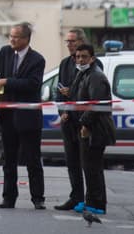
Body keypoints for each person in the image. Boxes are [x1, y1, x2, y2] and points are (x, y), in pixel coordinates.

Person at [0, 22, 46, 210]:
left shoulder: (37, 60)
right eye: (10, 36)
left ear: (26, 39)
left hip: (28, 118)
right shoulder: (5, 52)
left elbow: (32, 84)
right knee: (8, 160)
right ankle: (9, 197)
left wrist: (7, 82)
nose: (12, 40)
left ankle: (38, 197)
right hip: (7, 115)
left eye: (16, 37)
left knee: (32, 159)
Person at [73, 44, 116, 215]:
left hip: (96, 128)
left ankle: (97, 204)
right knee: (89, 167)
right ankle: (91, 200)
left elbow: (95, 104)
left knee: (93, 167)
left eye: (84, 56)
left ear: (92, 58)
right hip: (91, 126)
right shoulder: (85, 74)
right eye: (78, 57)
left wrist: (85, 124)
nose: (80, 60)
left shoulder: (96, 76)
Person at [54, 28, 88, 211]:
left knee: (87, 164)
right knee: (72, 162)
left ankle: (91, 200)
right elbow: (58, 90)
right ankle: (76, 197)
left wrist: (72, 94)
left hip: (84, 121)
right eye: (67, 42)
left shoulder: (91, 64)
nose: (69, 45)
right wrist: (62, 111)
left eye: (72, 41)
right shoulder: (65, 63)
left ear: (81, 41)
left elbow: (89, 92)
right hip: (68, 120)